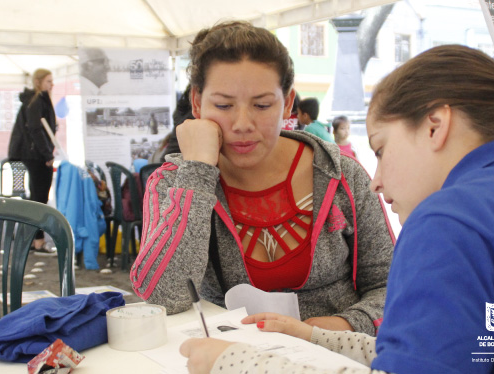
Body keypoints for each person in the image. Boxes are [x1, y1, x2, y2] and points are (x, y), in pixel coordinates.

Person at [178, 45, 494, 374]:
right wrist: (318, 337)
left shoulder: (452, 220)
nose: (376, 179)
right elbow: (457, 344)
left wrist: (235, 362)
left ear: (435, 126)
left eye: (382, 150)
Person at [130, 21, 394, 335]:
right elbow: (163, 297)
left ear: (288, 102)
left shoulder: (340, 175)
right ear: (197, 103)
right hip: (228, 359)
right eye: (224, 105)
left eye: (262, 105)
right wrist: (199, 171)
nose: (242, 123)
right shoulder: (173, 183)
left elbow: (390, 283)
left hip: (337, 357)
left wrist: (343, 326)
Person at [8, 68, 57, 254]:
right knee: (39, 198)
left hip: (32, 153)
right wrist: (47, 155)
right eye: (48, 82)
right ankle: (37, 240)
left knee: (36, 197)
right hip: (34, 155)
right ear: (39, 82)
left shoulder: (36, 100)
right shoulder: (36, 101)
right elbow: (36, 129)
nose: (52, 85)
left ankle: (31, 239)